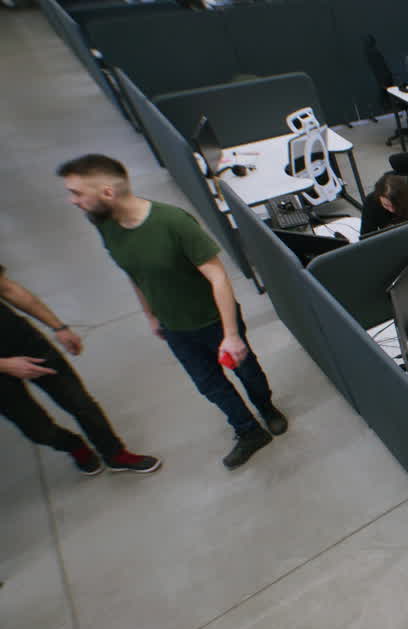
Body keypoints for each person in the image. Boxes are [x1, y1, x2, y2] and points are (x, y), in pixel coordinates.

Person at [57, 154, 286, 469]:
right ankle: (248, 431)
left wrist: (231, 335)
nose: (73, 201)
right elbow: (135, 273)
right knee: (209, 384)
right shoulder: (106, 225)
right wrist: (151, 315)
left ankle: (267, 408)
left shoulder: (173, 222)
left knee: (247, 371)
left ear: (107, 192)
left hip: (214, 321)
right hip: (175, 327)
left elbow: (218, 276)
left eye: (77, 193)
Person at [0, 264, 160, 475]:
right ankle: (73, 445)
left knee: (80, 403)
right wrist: (5, 365)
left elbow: (7, 288)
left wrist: (59, 327)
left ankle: (115, 454)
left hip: (23, 341)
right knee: (37, 430)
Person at [360, 172, 408, 236]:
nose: (392, 210)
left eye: (396, 205)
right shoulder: (371, 201)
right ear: (379, 197)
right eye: (386, 205)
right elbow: (366, 236)